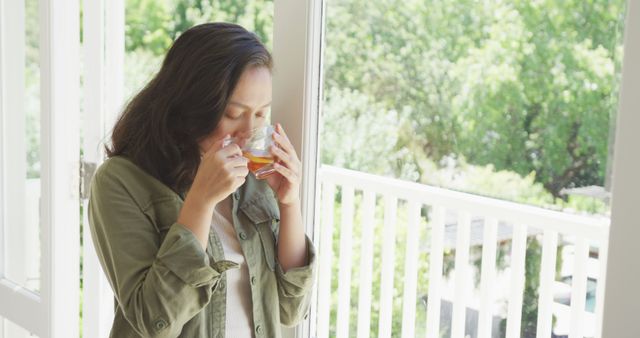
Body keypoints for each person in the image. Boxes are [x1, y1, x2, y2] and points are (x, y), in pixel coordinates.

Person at [88, 22, 316, 338]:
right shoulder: (120, 182)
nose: (249, 131)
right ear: (191, 106)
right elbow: (155, 321)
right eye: (234, 114)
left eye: (261, 113)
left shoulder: (255, 176)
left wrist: (290, 203)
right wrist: (201, 200)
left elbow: (291, 309)